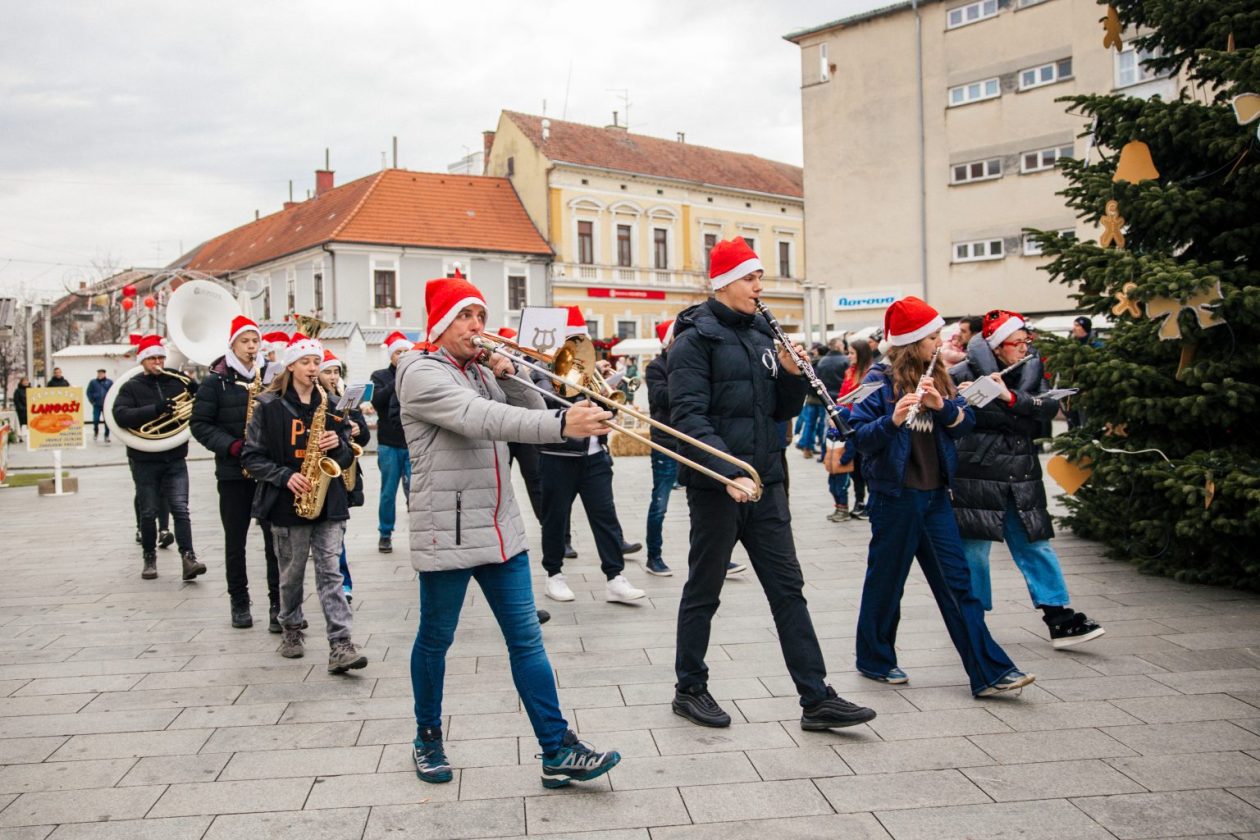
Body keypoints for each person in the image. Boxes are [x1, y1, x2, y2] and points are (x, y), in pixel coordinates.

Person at [396, 273, 622, 787]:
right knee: (436, 640)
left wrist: (510, 372)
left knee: (527, 642)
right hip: (449, 532)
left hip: (501, 528)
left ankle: (556, 748)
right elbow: (483, 420)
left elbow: (531, 412)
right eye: (466, 316)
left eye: (481, 316)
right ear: (440, 323)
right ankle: (427, 736)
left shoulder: (479, 370)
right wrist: (565, 425)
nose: (478, 327)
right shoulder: (421, 372)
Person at [667, 237, 876, 731]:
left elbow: (780, 412)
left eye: (760, 277)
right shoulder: (693, 340)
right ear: (723, 284)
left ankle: (816, 696)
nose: (759, 287)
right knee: (705, 588)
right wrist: (728, 472)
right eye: (750, 278)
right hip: (719, 485)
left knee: (789, 590)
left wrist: (789, 376)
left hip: (768, 484)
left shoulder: (764, 335)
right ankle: (689, 688)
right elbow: (688, 416)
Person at [849, 296, 1034, 697]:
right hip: (895, 499)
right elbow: (858, 440)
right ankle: (875, 658)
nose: (941, 342)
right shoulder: (877, 383)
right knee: (887, 583)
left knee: (958, 585)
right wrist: (893, 419)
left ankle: (989, 672)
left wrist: (944, 409)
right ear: (913, 342)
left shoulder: (941, 376)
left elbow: (962, 425)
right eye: (932, 336)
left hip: (935, 498)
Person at [951, 310, 1105, 649]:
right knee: (974, 551)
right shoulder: (960, 371)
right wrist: (1018, 407)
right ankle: (971, 619)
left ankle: (1059, 617)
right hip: (977, 473)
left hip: (1021, 471)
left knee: (1036, 544)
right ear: (996, 345)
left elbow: (1045, 413)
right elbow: (962, 420)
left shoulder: (1033, 366)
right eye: (1016, 343)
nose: (1024, 348)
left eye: (1026, 341)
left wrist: (1007, 398)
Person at [241, 332, 366, 673]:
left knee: (330, 572)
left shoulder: (330, 404)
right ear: (291, 365)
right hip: (286, 501)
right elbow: (252, 456)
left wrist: (337, 446)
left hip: (329, 501)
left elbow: (347, 455)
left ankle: (341, 643)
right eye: (307, 362)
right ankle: (291, 627)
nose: (314, 369)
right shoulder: (268, 406)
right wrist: (284, 476)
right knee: (291, 574)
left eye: (317, 363)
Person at [538, 306, 645, 605]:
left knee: (605, 517)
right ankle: (554, 575)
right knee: (556, 518)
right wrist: (575, 384)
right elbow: (547, 404)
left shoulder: (592, 371)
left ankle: (615, 578)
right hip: (558, 456)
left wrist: (605, 392)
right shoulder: (544, 369)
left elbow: (610, 411)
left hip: (595, 455)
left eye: (582, 340)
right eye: (573, 340)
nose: (579, 347)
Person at [191, 315, 281, 630]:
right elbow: (200, 425)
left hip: (267, 472)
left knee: (275, 541)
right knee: (235, 541)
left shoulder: (270, 376)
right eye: (245, 341)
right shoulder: (215, 380)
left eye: (255, 341)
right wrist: (231, 446)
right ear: (232, 344)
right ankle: (239, 602)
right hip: (233, 472)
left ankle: (277, 605)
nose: (252, 347)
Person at [110, 335, 205, 582]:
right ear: (143, 361)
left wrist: (198, 389)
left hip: (174, 456)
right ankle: (149, 557)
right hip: (144, 459)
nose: (158, 362)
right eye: (152, 358)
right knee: (149, 511)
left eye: (161, 357)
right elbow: (121, 416)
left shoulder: (177, 381)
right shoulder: (131, 386)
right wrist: (156, 410)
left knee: (181, 510)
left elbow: (201, 405)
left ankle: (189, 557)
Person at [318, 349, 371, 605]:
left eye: (335, 371)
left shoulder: (345, 396)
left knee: (337, 536)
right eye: (327, 371)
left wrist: (358, 429)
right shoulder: (314, 400)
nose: (332, 376)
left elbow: (364, 438)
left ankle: (343, 585)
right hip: (316, 471)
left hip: (341, 473)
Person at [372, 331, 413, 554]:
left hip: (413, 443)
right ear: (391, 356)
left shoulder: (417, 373)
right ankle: (385, 533)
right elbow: (377, 402)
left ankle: (420, 532)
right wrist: (399, 376)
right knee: (388, 492)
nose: (403, 355)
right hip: (388, 444)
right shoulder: (380, 376)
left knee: (416, 491)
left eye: (406, 351)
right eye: (398, 352)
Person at [643, 320, 678, 577]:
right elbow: (662, 398)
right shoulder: (656, 367)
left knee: (705, 504)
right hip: (666, 441)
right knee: (660, 503)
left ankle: (718, 557)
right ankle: (653, 556)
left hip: (692, 440)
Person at [826, 339, 875, 522]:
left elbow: (865, 402)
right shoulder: (849, 372)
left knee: (863, 467)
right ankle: (858, 502)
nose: (849, 356)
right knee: (852, 468)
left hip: (860, 424)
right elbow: (842, 397)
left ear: (861, 355)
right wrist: (836, 414)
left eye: (852, 353)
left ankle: (865, 503)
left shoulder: (869, 374)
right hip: (846, 422)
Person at [86, 369, 113, 443]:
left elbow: (113, 392)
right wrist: (92, 401)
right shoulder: (93, 382)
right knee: (95, 419)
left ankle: (106, 435)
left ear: (104, 374)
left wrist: (110, 402)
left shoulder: (109, 382)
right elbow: (88, 392)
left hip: (106, 405)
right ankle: (96, 431)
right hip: (97, 404)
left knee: (107, 421)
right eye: (99, 373)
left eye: (101, 373)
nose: (100, 375)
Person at [12, 376, 29, 442]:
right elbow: (16, 401)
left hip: (30, 410)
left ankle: (31, 437)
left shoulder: (30, 389)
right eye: (24, 381)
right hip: (21, 411)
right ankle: (20, 437)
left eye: (26, 381)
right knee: (20, 424)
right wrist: (21, 408)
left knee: (30, 424)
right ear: (21, 382)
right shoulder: (17, 391)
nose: (26, 382)